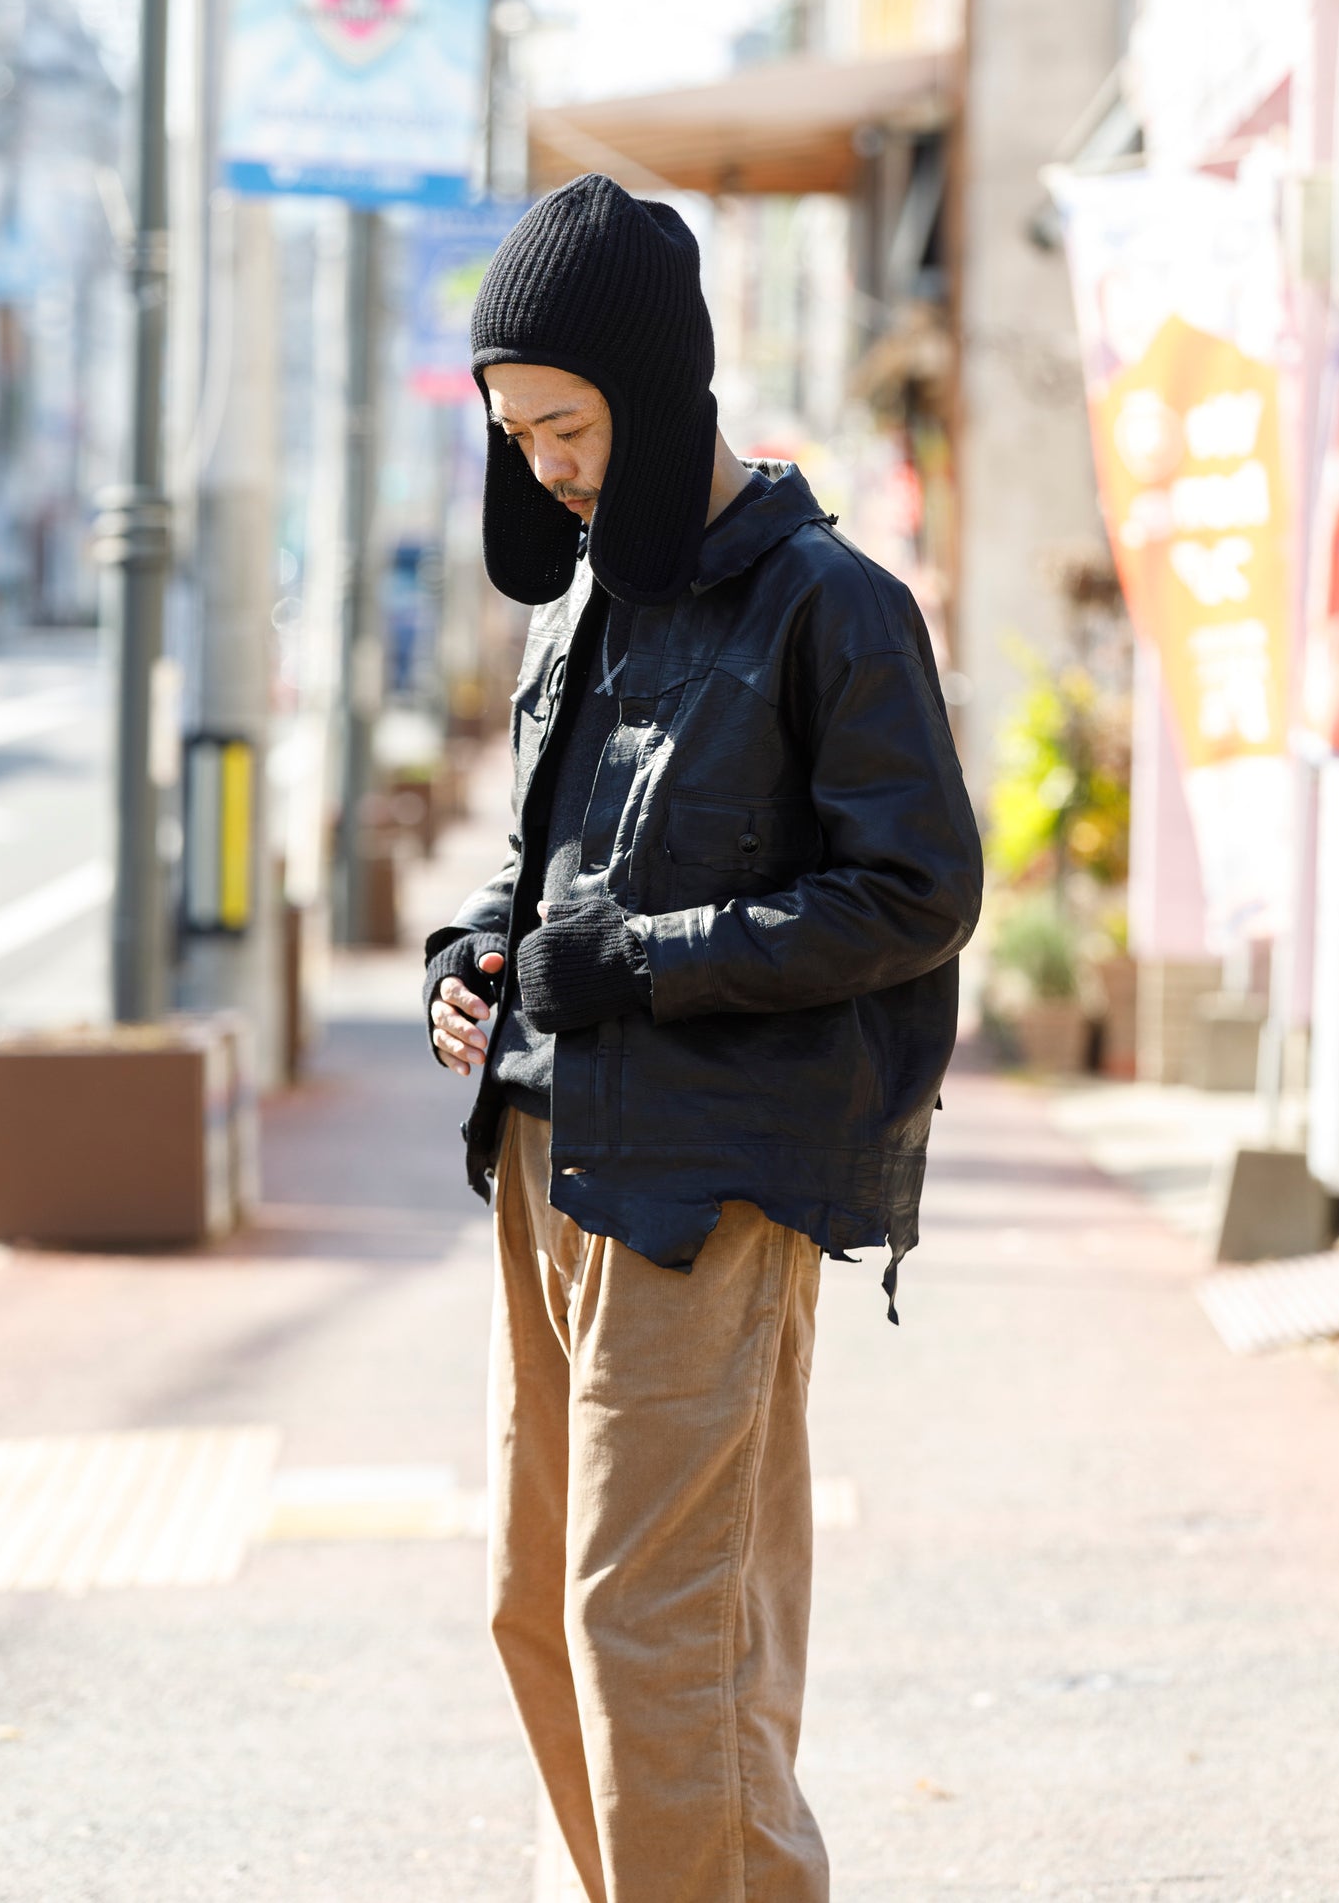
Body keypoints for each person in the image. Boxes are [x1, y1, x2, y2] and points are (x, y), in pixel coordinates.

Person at [423, 174, 982, 1903]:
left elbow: (914, 894)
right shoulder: (583, 598)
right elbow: (549, 883)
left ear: (657, 393)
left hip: (705, 1182)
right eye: (517, 437)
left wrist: (636, 959)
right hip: (542, 1153)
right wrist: (481, 955)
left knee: (654, 1626)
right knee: (539, 1605)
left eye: (567, 427)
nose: (545, 469)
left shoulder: (831, 605)